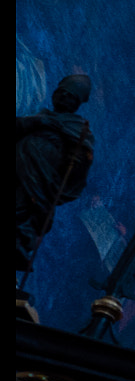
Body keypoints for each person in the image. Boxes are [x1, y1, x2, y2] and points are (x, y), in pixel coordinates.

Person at [16, 73, 95, 277]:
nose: (63, 97)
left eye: (70, 95)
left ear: (77, 103)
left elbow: (78, 169)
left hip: (41, 181)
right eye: (61, 93)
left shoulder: (78, 129)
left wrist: (75, 162)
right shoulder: (39, 117)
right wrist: (38, 123)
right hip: (19, 167)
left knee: (22, 213)